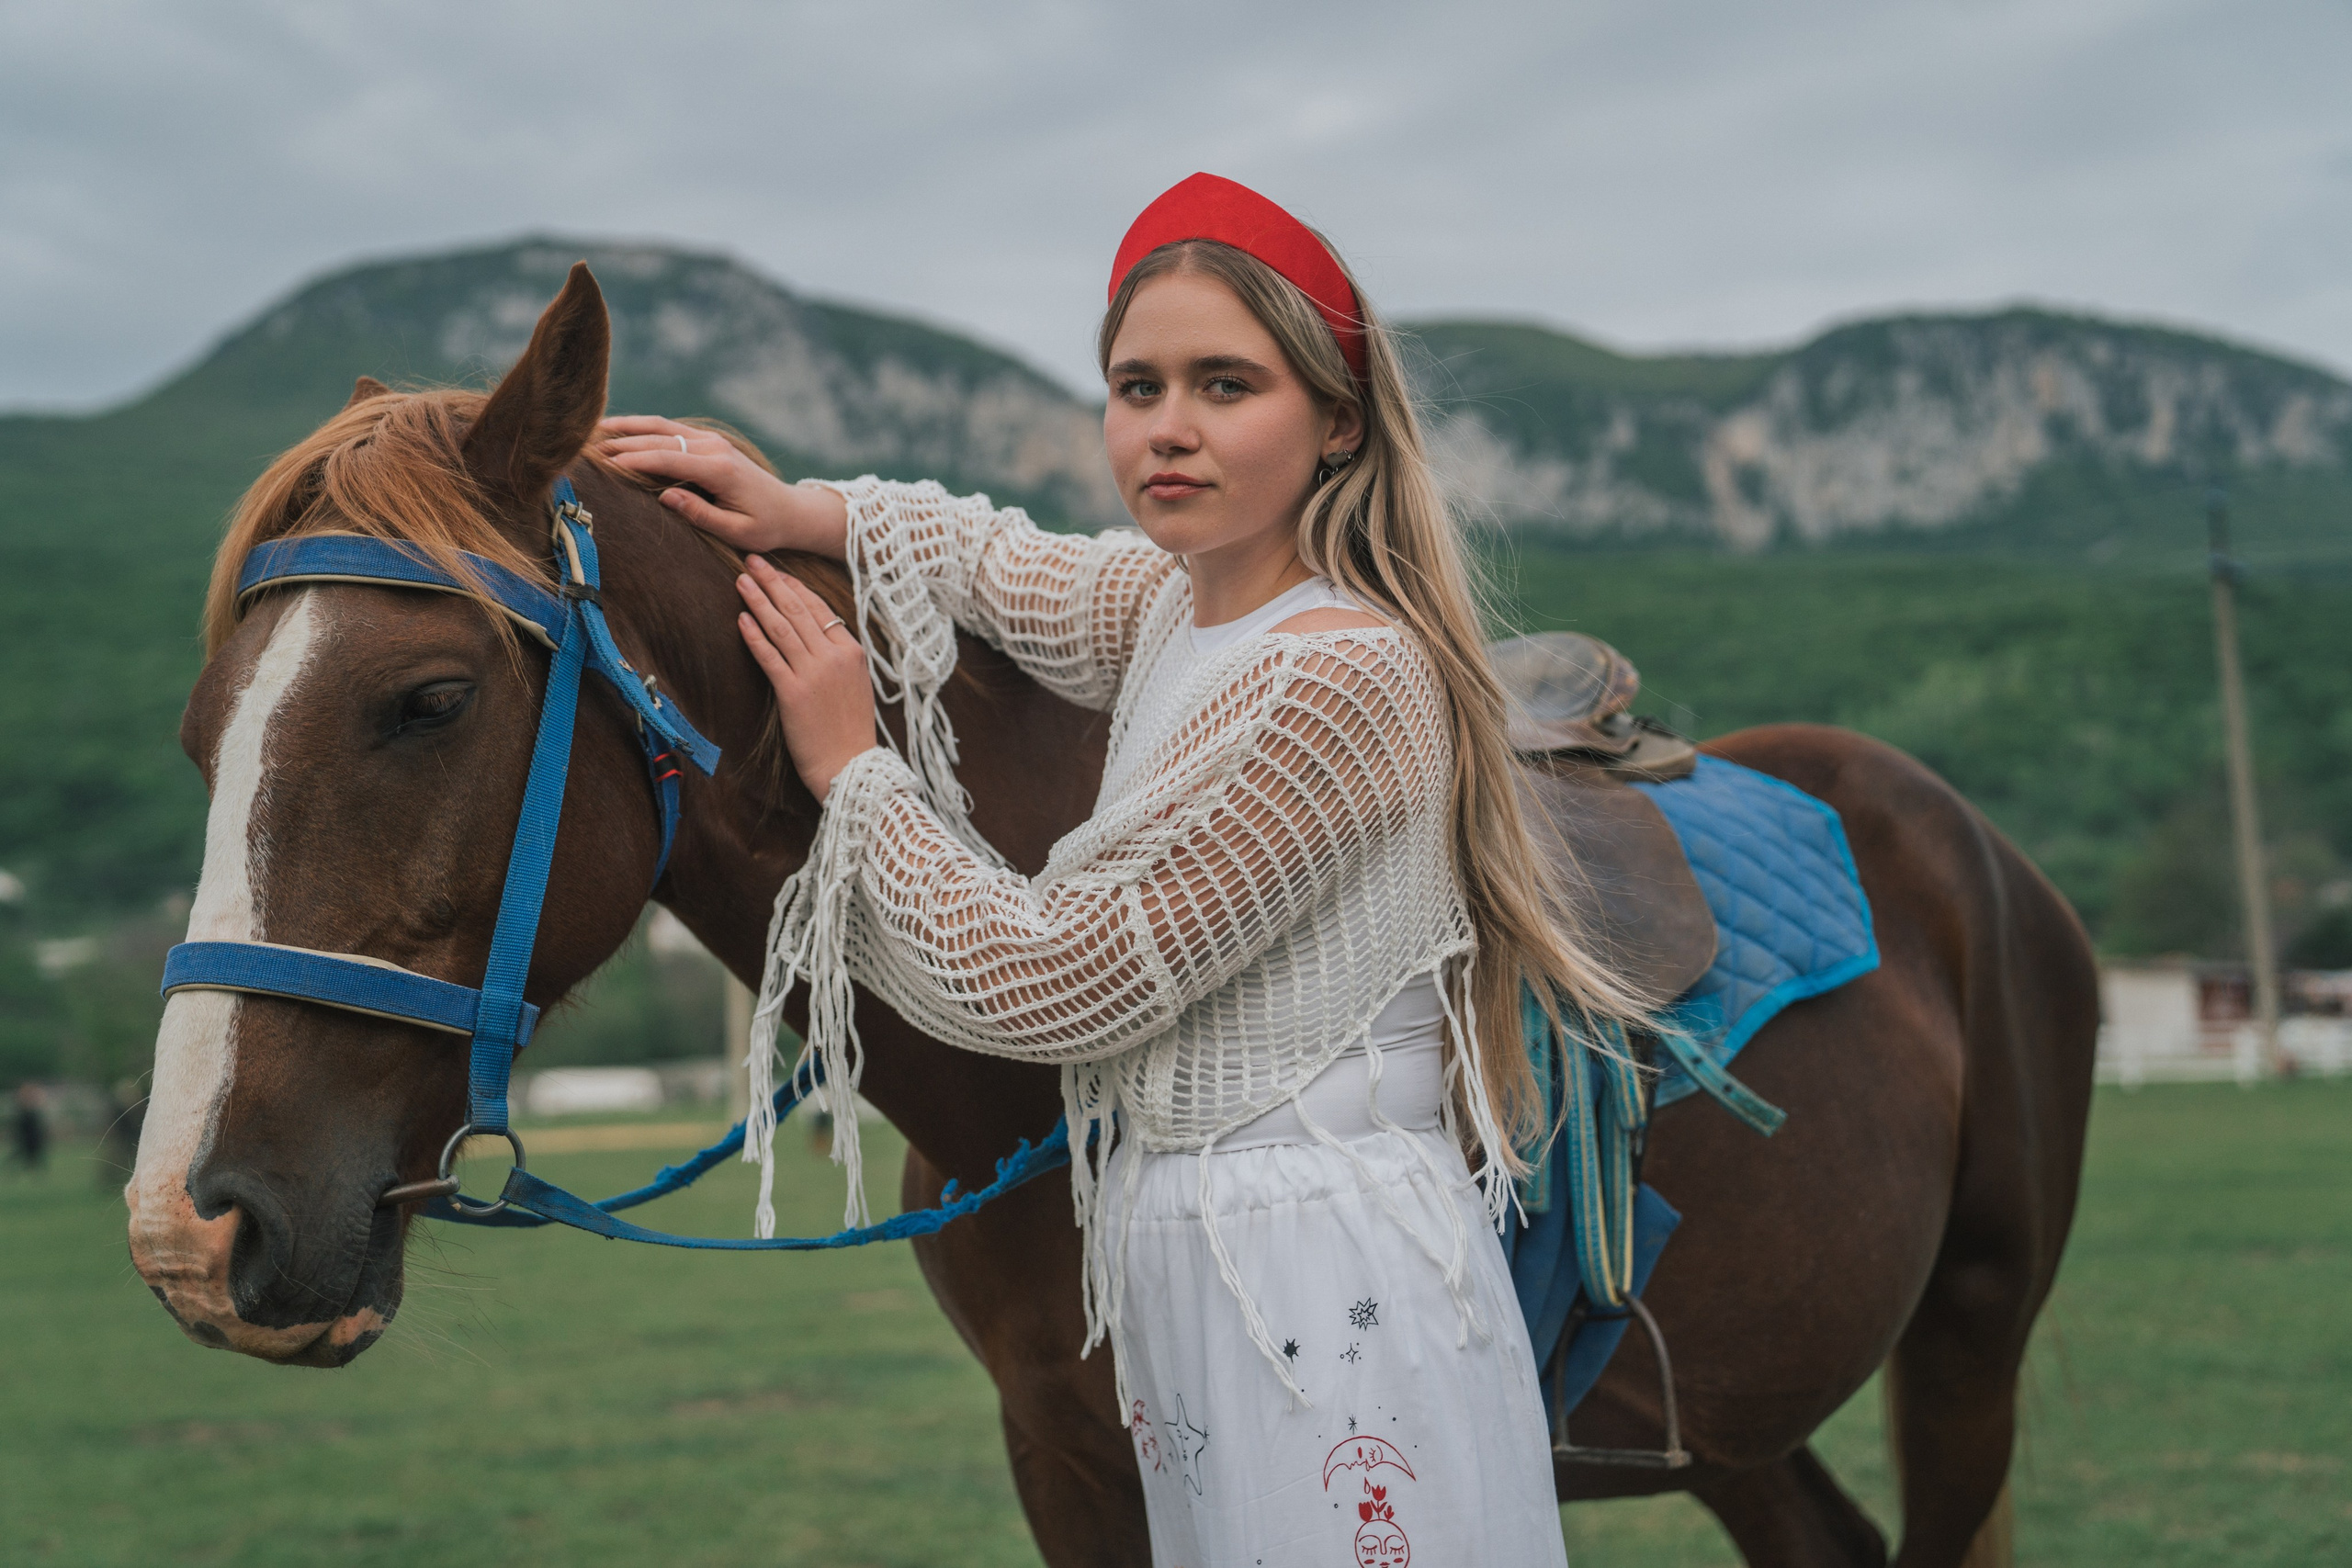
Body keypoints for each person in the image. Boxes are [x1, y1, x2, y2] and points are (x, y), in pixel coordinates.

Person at [599, 173, 1648, 1566]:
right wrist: (806, 509)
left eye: (1227, 385)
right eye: (1136, 387)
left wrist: (856, 769)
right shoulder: (1175, 610)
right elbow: (1004, 563)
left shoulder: (1344, 676)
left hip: (1318, 1257)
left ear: (1338, 421)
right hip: (1202, 1250)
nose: (1169, 428)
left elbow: (1060, 984)